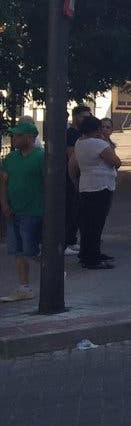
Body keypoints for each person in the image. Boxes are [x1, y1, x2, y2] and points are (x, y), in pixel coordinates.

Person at [1, 121, 44, 302]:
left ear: (30, 137)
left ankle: (53, 269)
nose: (14, 139)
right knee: (18, 250)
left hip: (34, 210)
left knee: (30, 250)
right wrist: (4, 204)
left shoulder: (41, 157)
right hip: (14, 211)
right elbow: (3, 182)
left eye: (18, 135)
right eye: (14, 135)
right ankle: (23, 286)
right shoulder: (10, 159)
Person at [70, 116, 121, 269]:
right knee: (96, 224)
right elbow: (116, 162)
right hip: (101, 186)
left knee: (88, 223)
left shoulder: (79, 142)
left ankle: (88, 253)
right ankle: (92, 258)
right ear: (97, 129)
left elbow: (73, 164)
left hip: (86, 185)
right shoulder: (99, 144)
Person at [63, 105, 91, 256]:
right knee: (71, 210)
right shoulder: (71, 134)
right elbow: (71, 156)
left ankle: (72, 240)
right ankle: (67, 241)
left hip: (79, 177)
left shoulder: (81, 133)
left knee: (76, 211)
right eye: (83, 117)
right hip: (71, 178)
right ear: (75, 117)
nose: (85, 120)